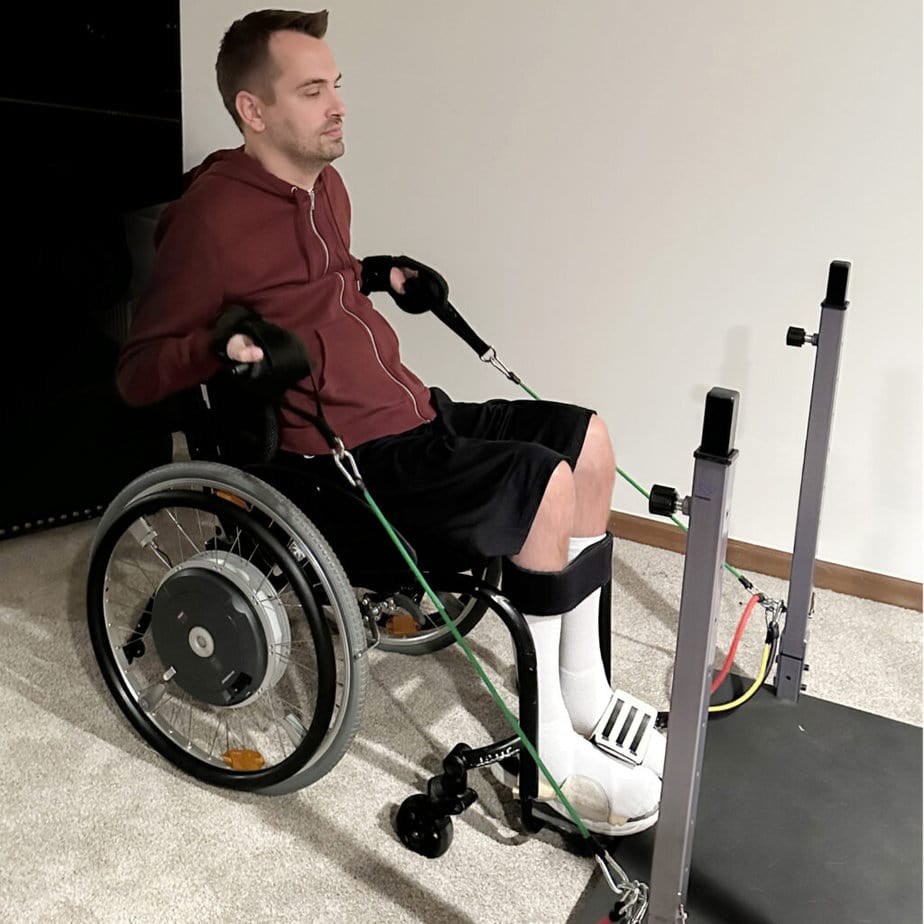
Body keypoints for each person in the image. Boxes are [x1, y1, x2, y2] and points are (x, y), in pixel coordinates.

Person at [117, 8, 663, 836]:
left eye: (337, 86)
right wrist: (220, 343)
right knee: (543, 485)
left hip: (414, 417)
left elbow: (316, 285)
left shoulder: (325, 187)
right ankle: (550, 751)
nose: (337, 104)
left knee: (586, 438)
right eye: (311, 90)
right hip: (344, 466)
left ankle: (583, 694)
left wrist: (376, 272)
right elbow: (139, 372)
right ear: (253, 112)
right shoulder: (210, 219)